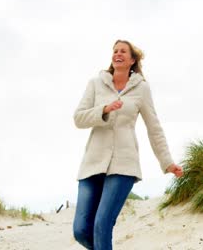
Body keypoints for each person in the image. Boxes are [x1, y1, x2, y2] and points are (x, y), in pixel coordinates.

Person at [72, 39, 183, 250]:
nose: (118, 54)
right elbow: (78, 118)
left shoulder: (141, 89)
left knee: (102, 225)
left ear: (132, 60)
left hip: (124, 164)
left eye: (123, 51)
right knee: (81, 230)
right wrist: (103, 109)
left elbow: (154, 127)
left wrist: (167, 162)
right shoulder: (95, 84)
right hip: (93, 163)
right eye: (115, 51)